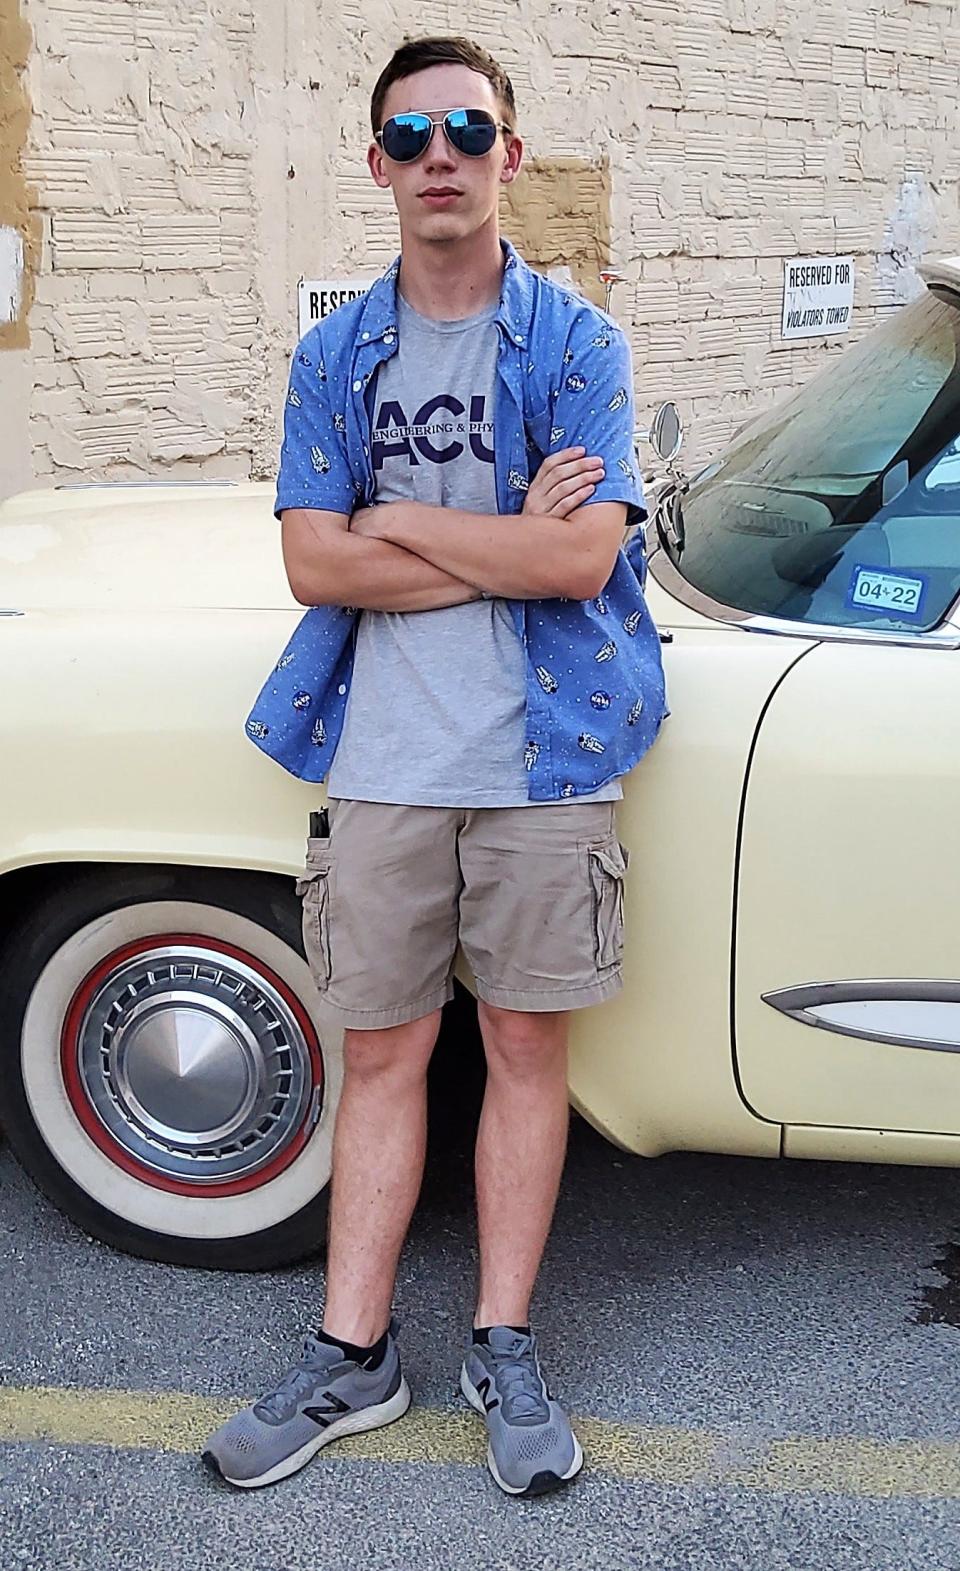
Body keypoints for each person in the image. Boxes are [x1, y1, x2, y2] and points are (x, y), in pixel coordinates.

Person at [203, 34, 667, 1499]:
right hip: (389, 756)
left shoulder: (578, 345)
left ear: (510, 154)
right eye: (413, 136)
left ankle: (504, 1341)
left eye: (469, 127)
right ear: (381, 166)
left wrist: (395, 524)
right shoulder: (337, 355)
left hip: (546, 758)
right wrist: (500, 547)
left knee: (528, 1054)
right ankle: (355, 1355)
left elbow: (583, 555)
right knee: (384, 1054)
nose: (443, 155)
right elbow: (305, 563)